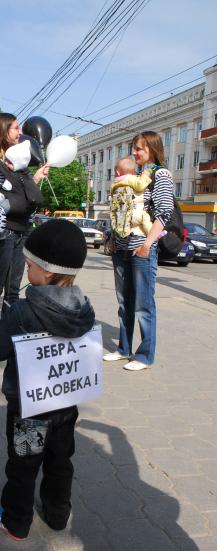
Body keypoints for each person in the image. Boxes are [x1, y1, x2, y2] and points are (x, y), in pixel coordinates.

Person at [0, 219, 95, 540]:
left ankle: (16, 521)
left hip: (30, 411)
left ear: (48, 271)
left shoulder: (22, 312)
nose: (27, 272)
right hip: (66, 406)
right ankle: (57, 515)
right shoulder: (84, 308)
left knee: (24, 466)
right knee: (60, 461)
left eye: (30, 266)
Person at [104, 131, 174, 371]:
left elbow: (164, 213)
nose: (134, 153)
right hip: (121, 246)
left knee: (143, 304)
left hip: (142, 247)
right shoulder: (132, 176)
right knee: (124, 302)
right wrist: (113, 239)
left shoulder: (161, 175)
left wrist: (147, 245)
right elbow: (121, 210)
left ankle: (144, 356)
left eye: (139, 149)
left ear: (152, 149)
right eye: (134, 148)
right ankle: (124, 348)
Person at [0, 113, 49, 324]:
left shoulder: (17, 160)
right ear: (3, 131)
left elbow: (17, 193)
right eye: (16, 128)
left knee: (13, 288)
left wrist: (36, 178)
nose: (21, 133)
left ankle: (7, 334)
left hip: (22, 231)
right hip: (0, 230)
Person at [0, 139, 32, 241]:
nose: (5, 163)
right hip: (23, 207)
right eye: (5, 160)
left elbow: (3, 192)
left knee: (0, 210)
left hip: (12, 203)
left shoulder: (11, 177)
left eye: (9, 162)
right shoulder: (26, 176)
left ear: (18, 164)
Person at [110, 156, 153, 240]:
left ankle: (123, 233)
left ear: (118, 172)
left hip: (124, 216)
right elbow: (140, 185)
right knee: (145, 218)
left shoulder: (116, 184)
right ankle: (154, 235)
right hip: (136, 213)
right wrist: (146, 175)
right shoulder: (130, 179)